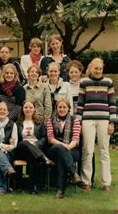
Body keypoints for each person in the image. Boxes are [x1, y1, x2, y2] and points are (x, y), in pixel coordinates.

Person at [76, 58, 116, 191]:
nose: (98, 71)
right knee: (87, 150)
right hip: (88, 120)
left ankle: (106, 182)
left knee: (104, 150)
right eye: (96, 68)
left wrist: (112, 122)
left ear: (102, 69)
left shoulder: (108, 82)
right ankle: (86, 181)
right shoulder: (84, 82)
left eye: (100, 69)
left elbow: (112, 103)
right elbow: (80, 104)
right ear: (91, 68)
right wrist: (79, 123)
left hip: (104, 119)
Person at [46, 98, 82, 199]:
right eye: (59, 107)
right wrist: (63, 145)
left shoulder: (75, 120)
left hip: (72, 149)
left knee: (62, 158)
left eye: (64, 107)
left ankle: (60, 190)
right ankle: (74, 173)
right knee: (59, 149)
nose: (62, 109)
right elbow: (51, 139)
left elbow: (75, 138)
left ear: (69, 108)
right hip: (54, 149)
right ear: (56, 108)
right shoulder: (50, 120)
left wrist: (68, 147)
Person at [14, 100, 48, 194]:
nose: (28, 109)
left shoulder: (40, 122)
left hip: (35, 150)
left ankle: (33, 187)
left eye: (30, 107)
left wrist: (37, 145)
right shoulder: (17, 123)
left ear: (34, 109)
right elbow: (15, 139)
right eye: (26, 107)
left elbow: (44, 137)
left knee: (35, 159)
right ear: (22, 109)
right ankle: (43, 157)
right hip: (21, 150)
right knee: (25, 142)